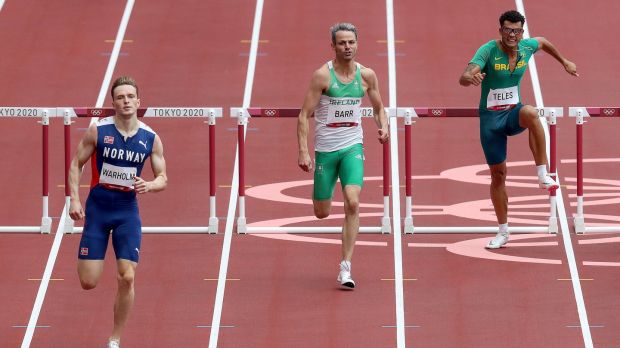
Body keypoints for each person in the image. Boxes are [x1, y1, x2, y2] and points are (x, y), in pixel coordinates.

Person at [459, 10, 578, 249]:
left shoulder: (526, 47)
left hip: (513, 114)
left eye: (516, 31)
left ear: (522, 32)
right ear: (500, 30)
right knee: (498, 175)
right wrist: (469, 78)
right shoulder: (488, 50)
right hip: (491, 121)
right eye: (507, 30)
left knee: (531, 112)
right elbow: (465, 75)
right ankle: (503, 231)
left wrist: (564, 61)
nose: (512, 35)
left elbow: (543, 42)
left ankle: (542, 173)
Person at [68, 76, 167, 348]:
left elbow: (163, 177)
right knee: (88, 282)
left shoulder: (150, 138)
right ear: (113, 103)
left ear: (138, 101)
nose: (126, 101)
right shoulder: (98, 131)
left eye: (130, 97)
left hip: (127, 212)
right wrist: (74, 200)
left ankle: (115, 339)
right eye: (120, 97)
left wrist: (150, 184)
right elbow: (76, 164)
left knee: (127, 276)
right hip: (98, 211)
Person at [297, 23, 389, 288]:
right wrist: (303, 150)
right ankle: (325, 197)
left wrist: (383, 126)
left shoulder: (367, 76)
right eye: (342, 43)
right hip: (326, 150)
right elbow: (303, 115)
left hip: (352, 146)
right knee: (321, 212)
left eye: (351, 42)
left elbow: (379, 107)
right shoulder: (322, 77)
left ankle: (345, 268)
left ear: (357, 44)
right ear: (334, 46)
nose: (347, 47)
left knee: (353, 201)